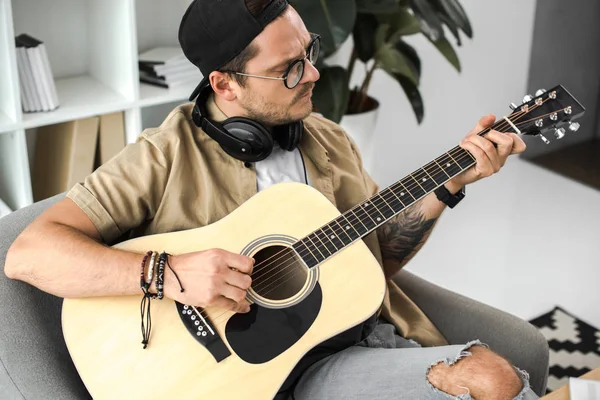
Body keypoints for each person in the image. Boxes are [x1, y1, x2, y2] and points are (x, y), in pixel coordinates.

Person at [4, 0, 537, 399]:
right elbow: (29, 254)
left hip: (341, 346)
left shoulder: (327, 140)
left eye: (310, 52)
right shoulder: (160, 158)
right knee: (491, 378)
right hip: (242, 377)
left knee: (501, 377)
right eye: (288, 68)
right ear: (225, 84)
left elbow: (375, 261)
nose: (312, 74)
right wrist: (169, 274)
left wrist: (447, 186)